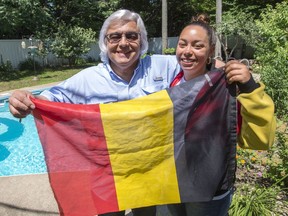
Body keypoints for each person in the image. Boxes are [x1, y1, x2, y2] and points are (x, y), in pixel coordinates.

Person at [8, 9, 181, 216]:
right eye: (115, 36)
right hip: (106, 174)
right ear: (105, 42)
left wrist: (225, 67)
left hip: (150, 172)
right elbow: (47, 100)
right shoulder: (87, 79)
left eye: (131, 36)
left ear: (141, 40)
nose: (123, 43)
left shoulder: (163, 66)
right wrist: (23, 102)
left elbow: (199, 64)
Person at [166, 14, 276, 216]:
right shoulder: (172, 83)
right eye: (183, 44)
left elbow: (261, 140)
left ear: (210, 53)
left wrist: (250, 87)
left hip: (209, 191)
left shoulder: (226, 88)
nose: (187, 52)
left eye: (197, 46)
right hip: (173, 182)